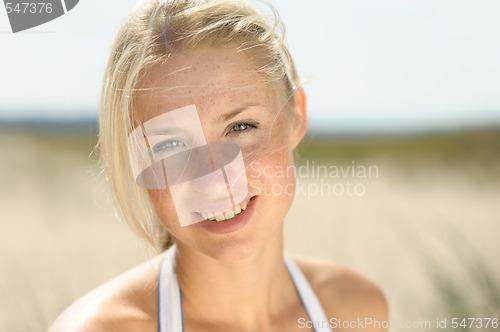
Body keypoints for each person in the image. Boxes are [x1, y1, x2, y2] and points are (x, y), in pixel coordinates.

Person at [49, 0, 388, 331]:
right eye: (171, 145)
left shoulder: (354, 309)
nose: (214, 180)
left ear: (296, 116)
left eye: (241, 127)